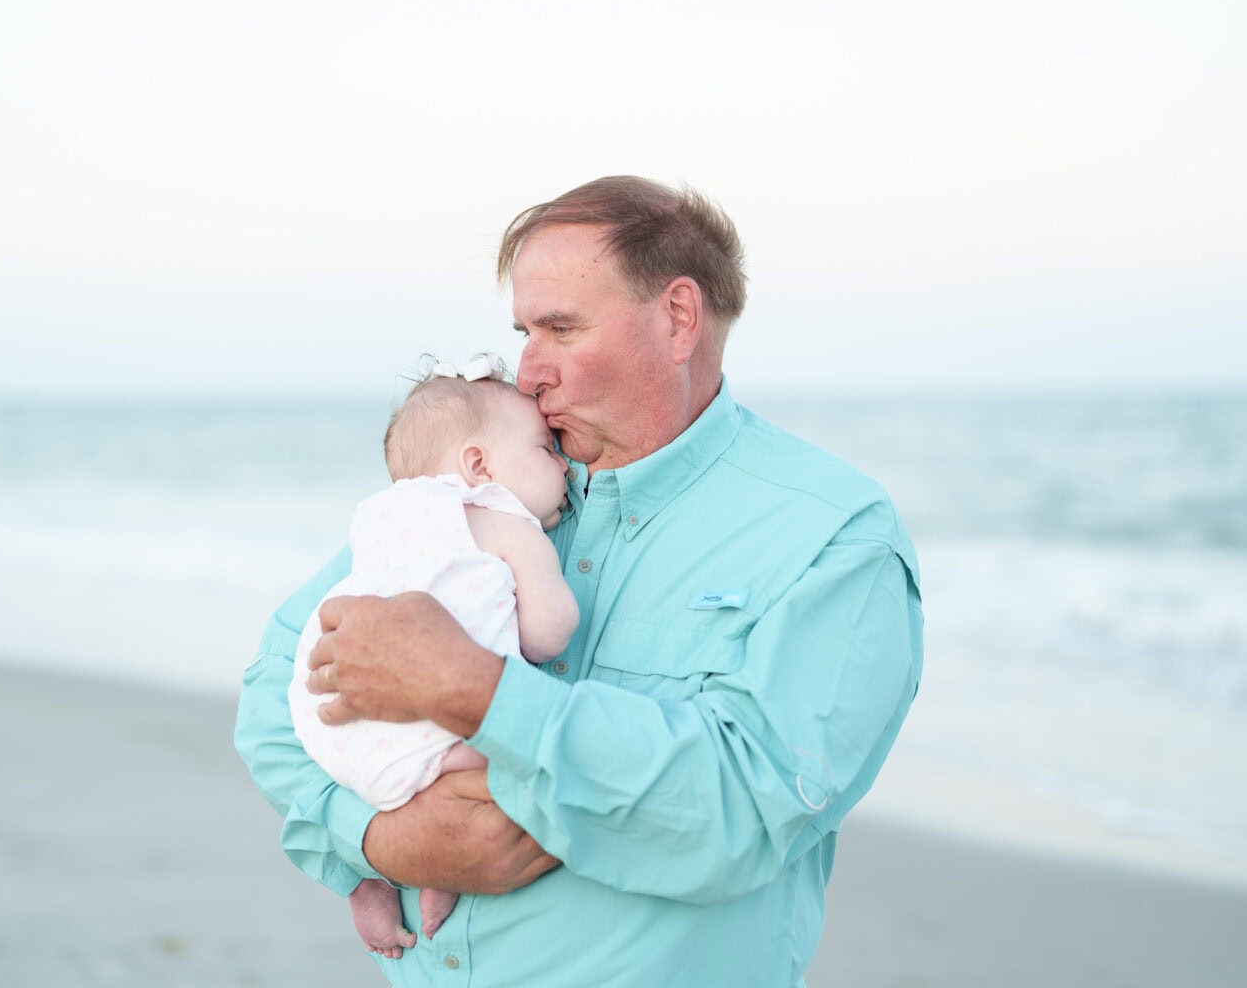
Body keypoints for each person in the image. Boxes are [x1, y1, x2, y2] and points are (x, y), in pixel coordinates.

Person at [236, 175, 924, 986]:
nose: (527, 373)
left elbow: (744, 811)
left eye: (559, 329)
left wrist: (478, 691)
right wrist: (377, 838)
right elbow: (275, 690)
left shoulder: (834, 538)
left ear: (677, 318)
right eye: (524, 331)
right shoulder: (490, 490)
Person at [286, 354, 578, 958]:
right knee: (518, 763)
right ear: (480, 465)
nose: (565, 467)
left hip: (330, 714)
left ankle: (367, 880)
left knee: (379, 787)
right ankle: (441, 875)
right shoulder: (501, 521)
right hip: (429, 723)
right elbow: (550, 634)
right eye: (547, 450)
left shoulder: (382, 517)